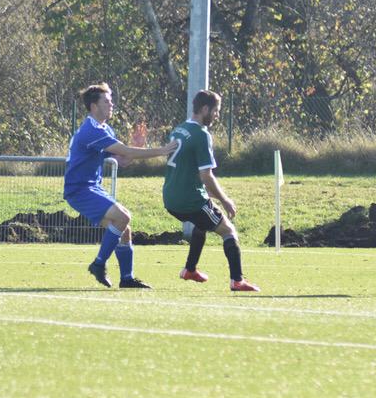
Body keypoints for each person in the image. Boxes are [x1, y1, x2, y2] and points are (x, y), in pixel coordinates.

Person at [64, 82, 179, 289]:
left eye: (111, 101)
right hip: (79, 190)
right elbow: (126, 152)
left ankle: (127, 278)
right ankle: (99, 264)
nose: (112, 105)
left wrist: (137, 147)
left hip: (91, 187)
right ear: (94, 106)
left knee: (124, 229)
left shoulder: (104, 129)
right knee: (123, 216)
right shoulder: (91, 130)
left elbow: (123, 159)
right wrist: (161, 151)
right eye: (107, 101)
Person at [163, 90, 260, 292]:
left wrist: (213, 194)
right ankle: (237, 280)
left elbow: (190, 171)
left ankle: (190, 269)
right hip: (190, 199)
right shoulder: (201, 134)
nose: (217, 115)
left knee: (202, 223)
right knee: (228, 231)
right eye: (216, 111)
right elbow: (206, 176)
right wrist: (225, 200)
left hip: (170, 197)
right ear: (205, 109)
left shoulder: (179, 129)